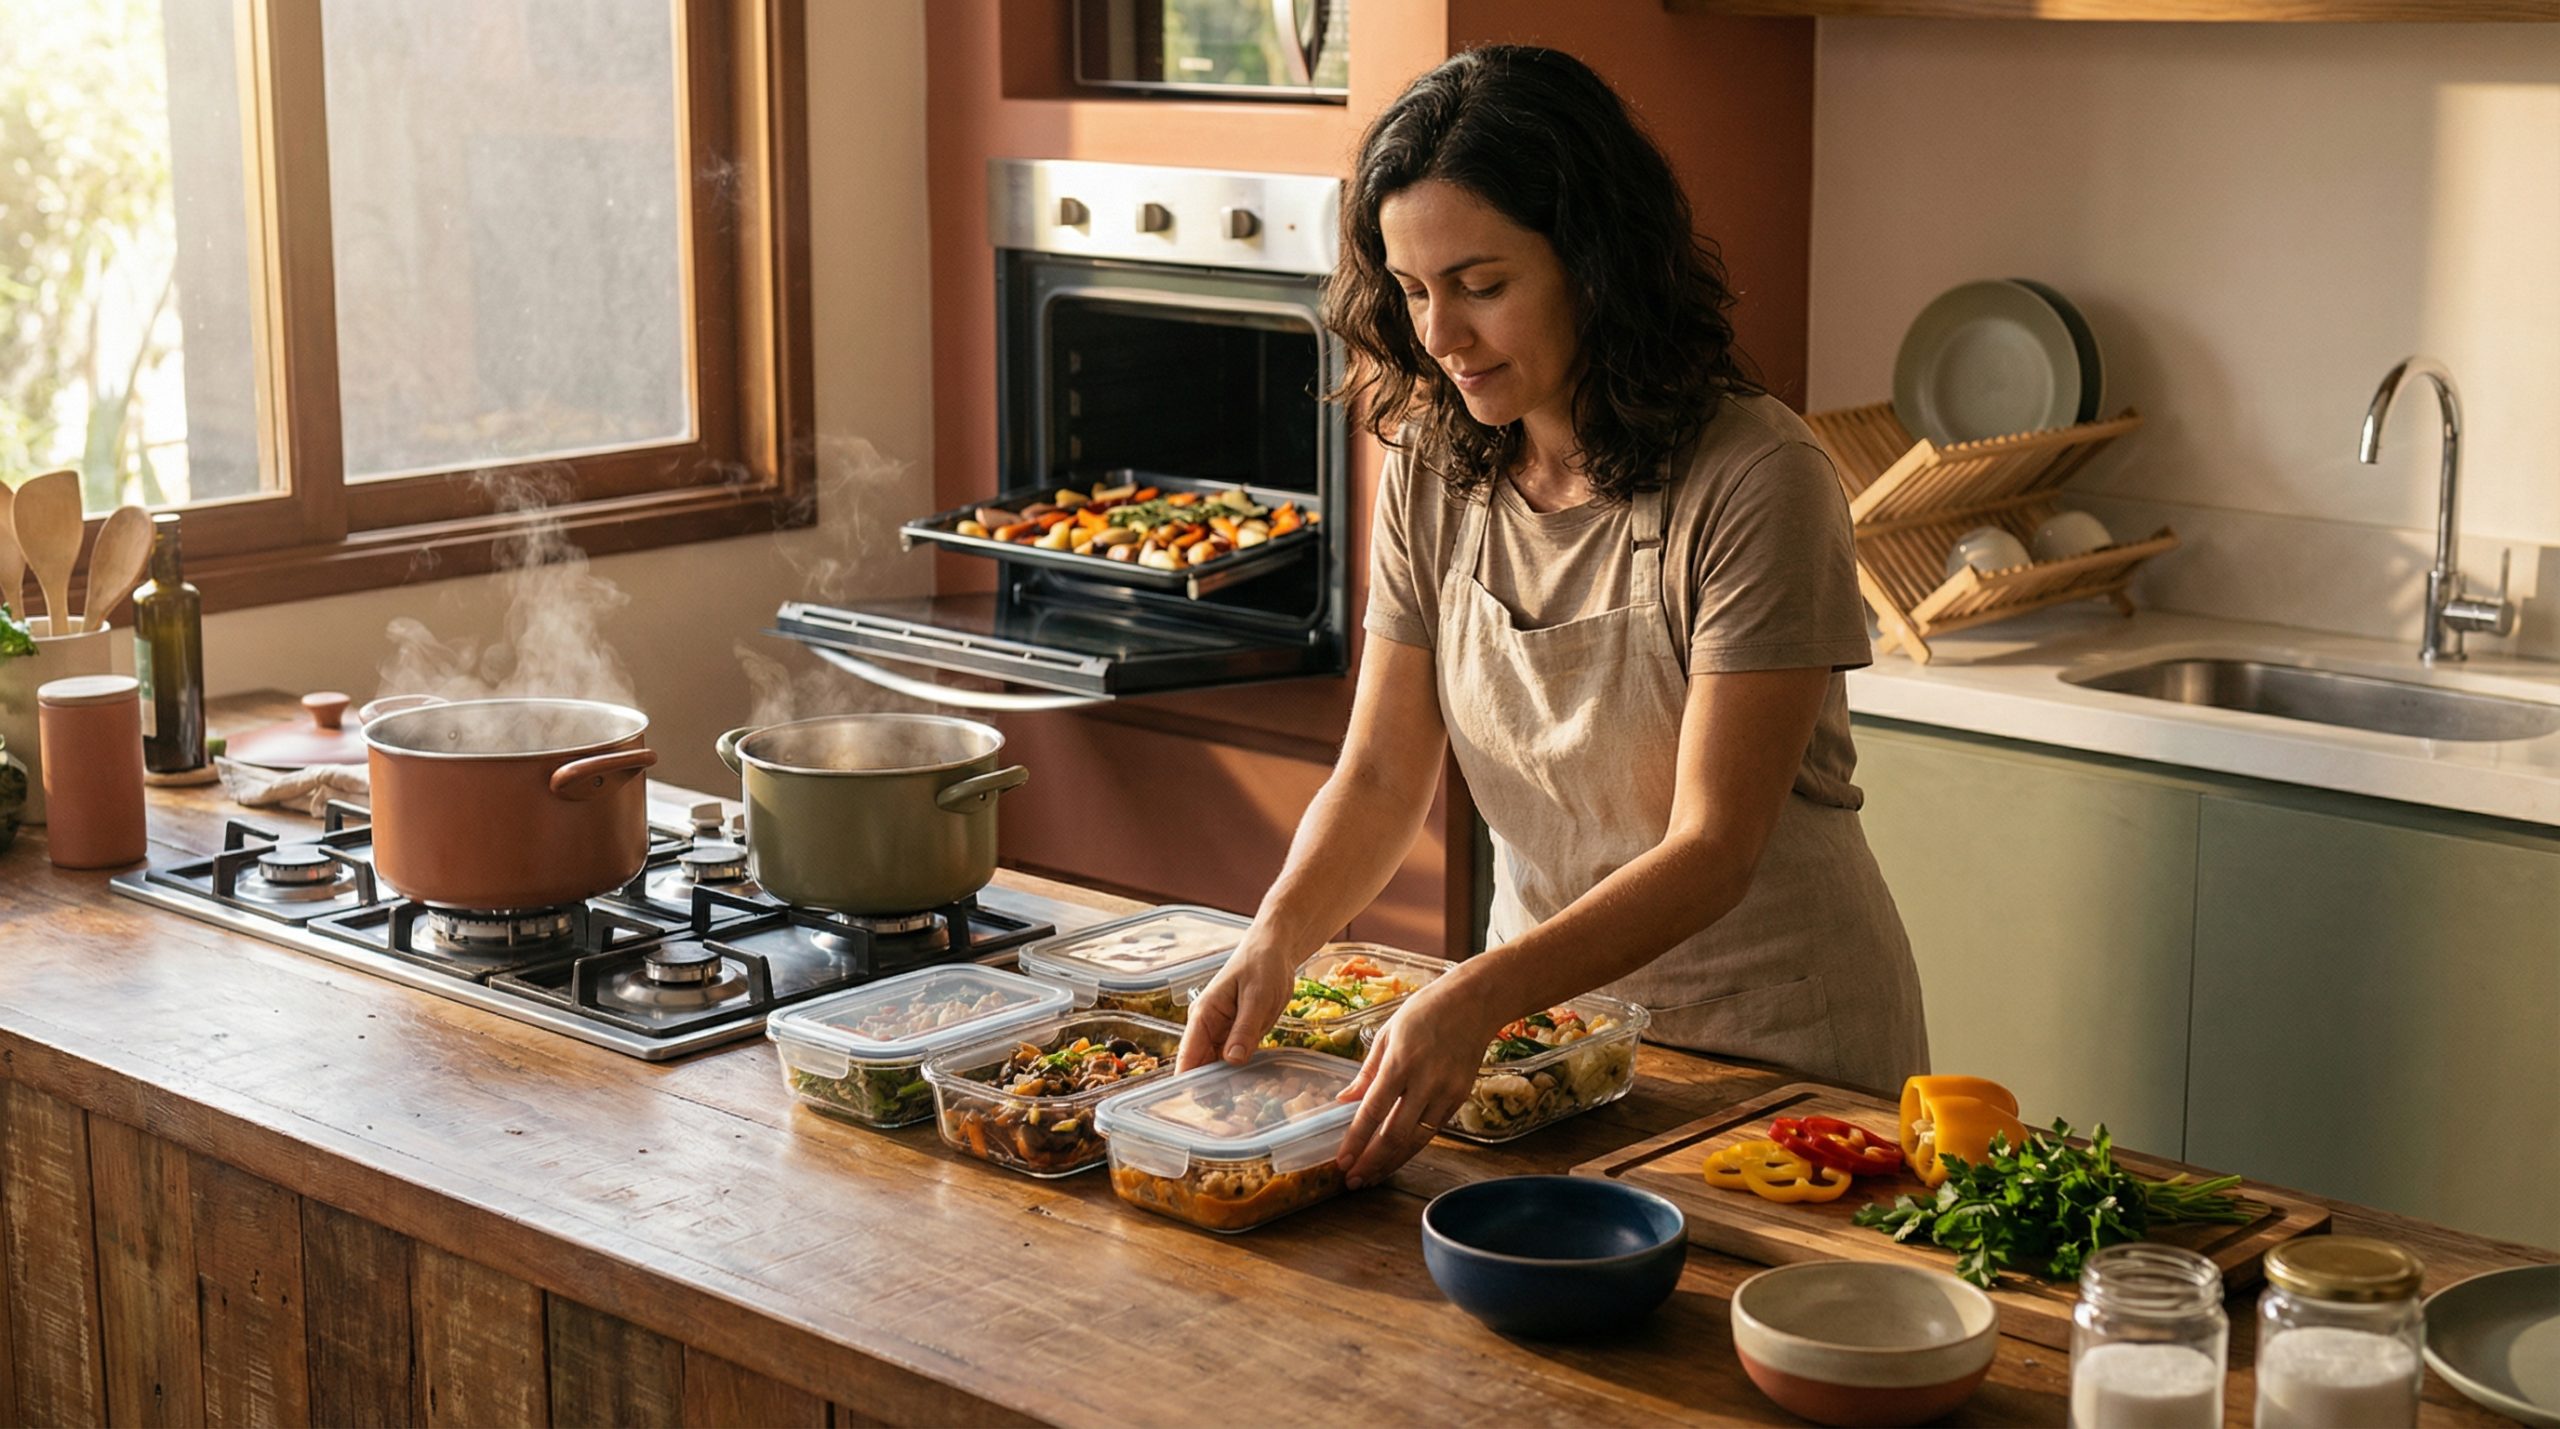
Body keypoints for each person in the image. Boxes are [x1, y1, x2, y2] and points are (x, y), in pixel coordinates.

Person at [1176, 45, 1928, 1188]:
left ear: (1594, 264)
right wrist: (1276, 938)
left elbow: (1712, 848)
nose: (1438, 335)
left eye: (1480, 285)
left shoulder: (1756, 477)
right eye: (1412, 290)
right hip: (1548, 1046)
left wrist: (1471, 989)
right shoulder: (1434, 464)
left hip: (1774, 1054)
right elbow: (1381, 774)